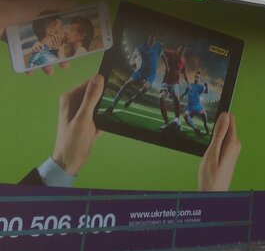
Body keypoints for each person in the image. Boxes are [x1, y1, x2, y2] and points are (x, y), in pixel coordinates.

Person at [19, 74, 240, 192]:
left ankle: (196, 126)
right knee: (188, 117)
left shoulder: (198, 85)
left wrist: (63, 164)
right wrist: (214, 201)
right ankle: (184, 124)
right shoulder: (188, 86)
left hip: (196, 105)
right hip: (188, 107)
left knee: (200, 117)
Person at [105, 32, 163, 114]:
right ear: (147, 39)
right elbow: (133, 57)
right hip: (141, 71)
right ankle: (112, 106)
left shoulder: (158, 45)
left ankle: (132, 99)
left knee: (145, 88)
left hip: (151, 73)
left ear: (155, 39)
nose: (152, 41)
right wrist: (133, 64)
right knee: (126, 84)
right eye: (151, 39)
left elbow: (162, 55)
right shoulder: (141, 47)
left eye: (154, 39)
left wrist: (167, 66)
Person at [158, 42, 190, 130]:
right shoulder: (172, 53)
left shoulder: (183, 61)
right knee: (161, 98)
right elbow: (162, 52)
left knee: (176, 98)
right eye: (181, 48)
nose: (182, 50)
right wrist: (160, 46)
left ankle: (177, 121)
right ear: (178, 48)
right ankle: (166, 123)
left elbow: (184, 73)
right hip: (166, 81)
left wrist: (188, 84)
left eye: (184, 50)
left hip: (175, 84)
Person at [181, 71, 210, 135]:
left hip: (197, 106)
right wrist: (179, 98)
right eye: (196, 76)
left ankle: (206, 126)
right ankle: (195, 128)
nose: (196, 78)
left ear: (199, 78)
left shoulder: (200, 87)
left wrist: (206, 86)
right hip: (190, 107)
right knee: (185, 116)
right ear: (194, 77)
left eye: (198, 77)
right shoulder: (189, 86)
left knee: (204, 114)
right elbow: (184, 93)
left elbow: (206, 92)